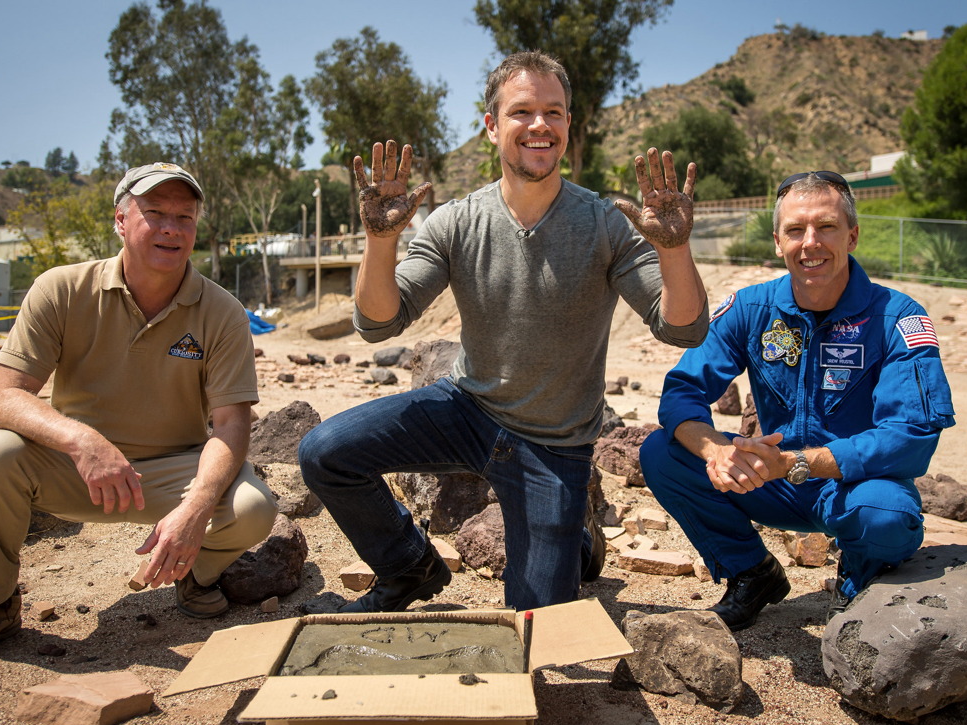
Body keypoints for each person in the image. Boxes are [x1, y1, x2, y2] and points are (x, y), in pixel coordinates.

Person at [299, 51, 708, 612]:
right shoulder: (457, 222)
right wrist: (379, 240)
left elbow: (681, 328)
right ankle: (410, 567)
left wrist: (675, 250)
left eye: (554, 112)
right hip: (467, 412)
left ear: (568, 125)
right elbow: (378, 323)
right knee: (325, 452)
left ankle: (572, 532)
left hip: (555, 444)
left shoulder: (606, 223)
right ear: (492, 126)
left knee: (538, 627)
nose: (540, 125)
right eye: (522, 112)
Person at [0, 163, 278, 668]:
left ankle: (194, 572)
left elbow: (230, 425)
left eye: (184, 216)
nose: (170, 228)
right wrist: (82, 442)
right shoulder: (61, 289)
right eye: (154, 213)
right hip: (72, 470)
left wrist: (196, 506)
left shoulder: (221, 310)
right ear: (120, 220)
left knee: (253, 508)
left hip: (170, 470)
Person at [639, 170, 955, 631]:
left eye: (826, 227)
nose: (811, 243)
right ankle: (752, 573)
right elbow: (681, 393)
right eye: (795, 230)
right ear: (776, 242)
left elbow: (911, 438)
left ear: (852, 235)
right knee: (661, 452)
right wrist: (719, 452)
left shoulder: (897, 317)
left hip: (851, 488)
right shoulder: (751, 309)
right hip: (772, 481)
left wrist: (797, 463)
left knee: (889, 517)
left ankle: (859, 581)